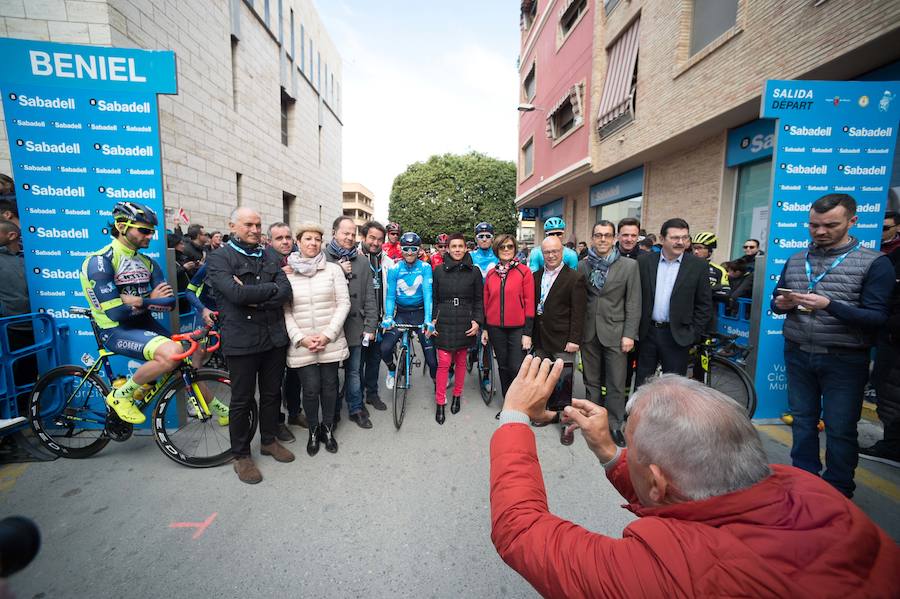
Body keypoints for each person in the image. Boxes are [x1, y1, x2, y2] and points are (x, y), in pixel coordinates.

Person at [489, 359, 900, 598]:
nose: (626, 451)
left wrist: (514, 417)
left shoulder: (676, 572)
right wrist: (612, 454)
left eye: (631, 447)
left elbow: (521, 531)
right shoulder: (810, 489)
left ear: (657, 481)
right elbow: (681, 492)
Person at [772, 194, 893, 497]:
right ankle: (804, 484)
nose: (820, 231)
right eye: (814, 225)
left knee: (840, 429)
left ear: (852, 221)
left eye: (830, 225)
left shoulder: (875, 263)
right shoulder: (797, 259)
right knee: (802, 422)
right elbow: (777, 303)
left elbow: (877, 318)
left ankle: (838, 491)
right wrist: (783, 303)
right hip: (799, 353)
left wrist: (829, 304)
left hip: (845, 359)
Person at [79, 202, 226, 427]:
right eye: (144, 230)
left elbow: (169, 303)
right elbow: (117, 312)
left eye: (152, 231)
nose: (150, 236)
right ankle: (121, 396)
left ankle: (217, 408)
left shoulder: (147, 262)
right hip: (116, 329)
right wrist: (150, 299)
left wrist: (139, 300)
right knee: (173, 352)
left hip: (143, 324)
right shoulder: (101, 262)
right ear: (121, 226)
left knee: (183, 360)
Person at [207, 207, 294, 484]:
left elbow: (285, 291)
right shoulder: (219, 258)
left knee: (271, 394)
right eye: (248, 224)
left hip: (273, 338)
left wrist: (252, 296)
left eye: (258, 224)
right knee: (242, 400)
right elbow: (233, 293)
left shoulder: (270, 255)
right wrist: (257, 293)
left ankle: (268, 441)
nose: (255, 229)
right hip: (241, 341)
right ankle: (241, 456)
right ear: (232, 225)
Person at [283, 222, 350, 456]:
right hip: (303, 344)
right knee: (310, 390)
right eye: (307, 239)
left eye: (316, 239)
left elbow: (344, 303)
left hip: (328, 341)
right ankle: (313, 430)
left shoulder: (333, 270)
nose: (312, 243)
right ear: (298, 242)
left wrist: (327, 334)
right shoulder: (287, 273)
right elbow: (286, 311)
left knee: (330, 387)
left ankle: (328, 428)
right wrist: (301, 339)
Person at [576, 220, 641, 445]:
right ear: (593, 238)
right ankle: (592, 419)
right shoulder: (583, 265)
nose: (602, 239)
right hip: (589, 331)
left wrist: (629, 334)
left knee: (616, 381)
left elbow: (633, 302)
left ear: (614, 239)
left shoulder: (629, 266)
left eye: (607, 235)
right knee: (591, 380)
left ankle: (614, 424)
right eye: (598, 235)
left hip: (616, 331)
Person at [634, 218, 712, 386]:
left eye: (685, 238)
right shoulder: (644, 262)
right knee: (643, 384)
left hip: (677, 336)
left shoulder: (698, 266)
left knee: (674, 388)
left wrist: (692, 334)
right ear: (662, 239)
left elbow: (704, 305)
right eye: (675, 238)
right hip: (647, 334)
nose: (681, 242)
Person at [532, 235, 586, 445]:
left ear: (562, 252)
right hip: (541, 337)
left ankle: (566, 425)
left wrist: (574, 339)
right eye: (547, 252)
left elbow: (579, 312)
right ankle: (547, 415)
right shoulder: (536, 276)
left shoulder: (574, 277)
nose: (551, 255)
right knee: (545, 380)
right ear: (542, 254)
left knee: (564, 384)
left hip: (564, 339)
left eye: (555, 251)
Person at [325, 216, 377, 430]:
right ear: (334, 233)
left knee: (354, 371)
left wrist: (370, 325)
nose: (349, 237)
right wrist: (336, 270)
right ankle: (332, 411)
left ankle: (355, 408)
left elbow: (369, 296)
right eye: (344, 233)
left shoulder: (363, 261)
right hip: (330, 327)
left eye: (352, 234)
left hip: (356, 325)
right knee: (330, 375)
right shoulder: (321, 258)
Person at [432, 233, 484, 424]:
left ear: (465, 248)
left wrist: (477, 321)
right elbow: (434, 299)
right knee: (444, 363)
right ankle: (440, 402)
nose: (457, 250)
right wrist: (432, 320)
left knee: (461, 361)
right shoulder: (438, 271)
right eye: (453, 246)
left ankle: (456, 396)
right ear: (448, 248)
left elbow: (479, 299)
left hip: (465, 318)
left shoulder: (475, 271)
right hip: (444, 318)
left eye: (460, 246)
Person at [860, 239, 900, 466]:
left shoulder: (879, 261)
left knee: (892, 395)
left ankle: (892, 447)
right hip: (889, 338)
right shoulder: (891, 259)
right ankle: (892, 444)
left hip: (893, 338)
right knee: (889, 393)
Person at [266, 222, 307, 439]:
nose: (285, 241)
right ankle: (276, 422)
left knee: (295, 374)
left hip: (296, 325)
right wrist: (279, 277)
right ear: (269, 241)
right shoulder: (265, 261)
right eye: (279, 238)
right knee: (273, 382)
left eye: (288, 237)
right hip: (273, 328)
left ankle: (294, 412)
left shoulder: (297, 259)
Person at [381, 232, 438, 387]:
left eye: (414, 249)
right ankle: (392, 369)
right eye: (406, 249)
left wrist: (428, 319)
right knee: (384, 348)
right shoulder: (394, 268)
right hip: (402, 314)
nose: (410, 252)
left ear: (419, 249)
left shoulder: (425, 267)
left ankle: (436, 382)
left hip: (420, 313)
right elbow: (390, 296)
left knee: (432, 360)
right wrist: (388, 317)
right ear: (401, 249)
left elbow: (428, 295)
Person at [483, 234, 534, 400]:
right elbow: (486, 302)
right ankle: (508, 403)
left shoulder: (524, 272)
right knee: (503, 367)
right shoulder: (491, 274)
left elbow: (529, 302)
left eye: (510, 246)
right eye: (502, 247)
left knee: (516, 367)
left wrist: (527, 333)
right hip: (495, 327)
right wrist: (485, 328)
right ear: (496, 250)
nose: (506, 250)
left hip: (518, 328)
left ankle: (519, 403)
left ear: (515, 249)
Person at [0, 218, 33, 430]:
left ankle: (24, 417)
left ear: (12, 235)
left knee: (28, 375)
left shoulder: (28, 257)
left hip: (33, 327)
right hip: (8, 328)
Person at [359, 221, 394, 412]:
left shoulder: (388, 262)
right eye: (372, 238)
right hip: (360, 322)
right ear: (364, 237)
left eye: (380, 239)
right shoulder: (354, 258)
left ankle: (372, 394)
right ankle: (356, 399)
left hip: (381, 322)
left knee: (374, 361)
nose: (375, 242)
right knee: (357, 365)